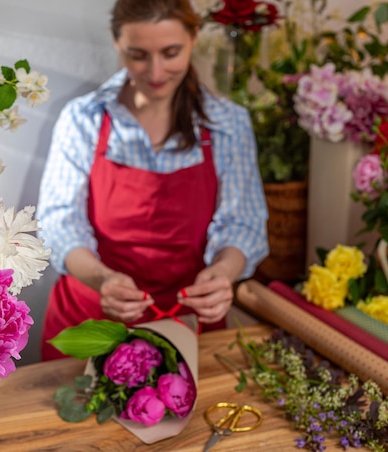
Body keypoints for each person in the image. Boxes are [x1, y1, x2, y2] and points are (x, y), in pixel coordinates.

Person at [37, 0, 268, 361]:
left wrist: (224, 273)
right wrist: (102, 280)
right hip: (91, 321)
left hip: (189, 326)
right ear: (117, 43)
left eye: (171, 52)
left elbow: (244, 223)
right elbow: (59, 222)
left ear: (193, 37)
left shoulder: (228, 124)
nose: (156, 71)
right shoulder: (83, 119)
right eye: (139, 55)